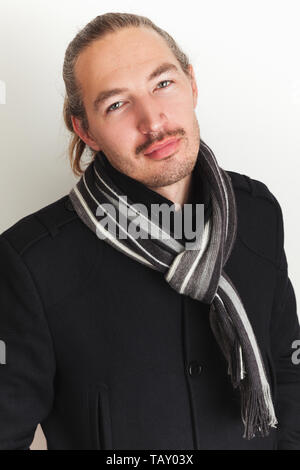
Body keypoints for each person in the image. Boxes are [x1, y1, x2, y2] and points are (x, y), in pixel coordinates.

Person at [0, 12, 299, 450]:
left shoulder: (257, 213)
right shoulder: (31, 262)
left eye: (163, 84)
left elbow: (288, 366)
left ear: (192, 84)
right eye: (116, 104)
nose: (153, 121)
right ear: (86, 130)